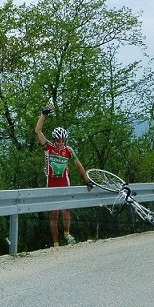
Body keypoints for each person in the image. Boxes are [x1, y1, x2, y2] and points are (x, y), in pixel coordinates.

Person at [35, 103, 93, 247]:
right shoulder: (48, 147)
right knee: (53, 215)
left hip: (64, 183)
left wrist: (87, 180)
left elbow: (79, 166)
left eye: (63, 141)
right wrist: (44, 114)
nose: (61, 143)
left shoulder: (69, 151)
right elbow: (37, 131)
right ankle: (55, 243)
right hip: (51, 185)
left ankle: (67, 233)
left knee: (66, 210)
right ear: (54, 140)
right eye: (58, 141)